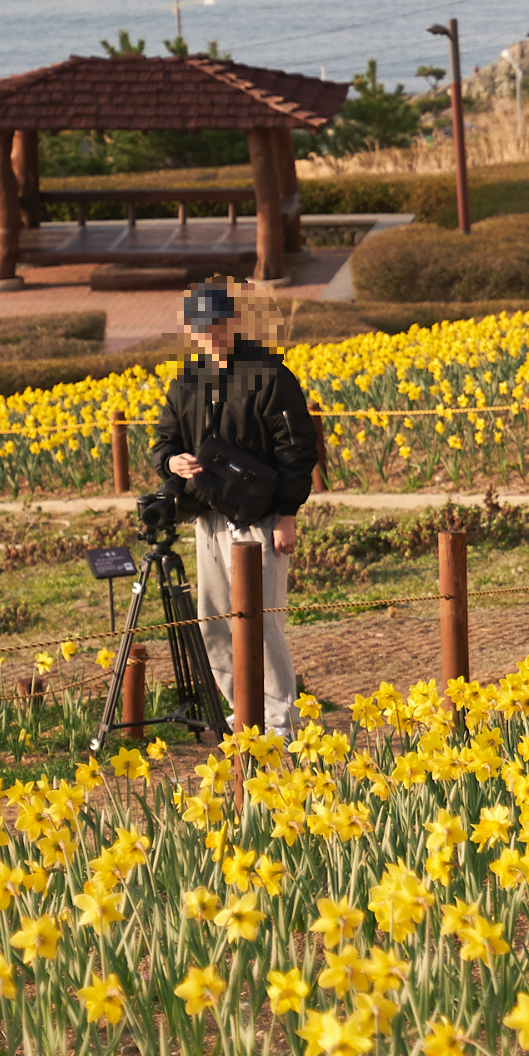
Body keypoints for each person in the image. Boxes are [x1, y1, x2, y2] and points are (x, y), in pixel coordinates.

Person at [150, 281, 321, 732]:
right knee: (214, 623)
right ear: (192, 330)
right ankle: (245, 711)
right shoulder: (187, 379)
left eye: (219, 325)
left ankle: (281, 722)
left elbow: (298, 450)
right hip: (206, 518)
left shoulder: (269, 375)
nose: (211, 335)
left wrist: (287, 514)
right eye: (202, 327)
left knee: (261, 624)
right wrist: (172, 460)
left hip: (261, 519)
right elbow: (164, 440)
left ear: (235, 324)